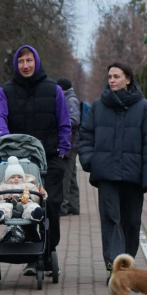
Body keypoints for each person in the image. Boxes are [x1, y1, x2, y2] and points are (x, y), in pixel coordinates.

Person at [77, 62, 147, 275]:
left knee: (131, 222)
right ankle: (116, 269)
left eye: (116, 76)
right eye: (109, 77)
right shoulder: (99, 106)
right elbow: (85, 134)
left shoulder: (143, 108)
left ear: (128, 79)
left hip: (133, 177)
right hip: (106, 175)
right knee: (110, 220)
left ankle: (127, 262)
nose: (112, 80)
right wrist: (90, 160)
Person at [0, 45, 71, 274]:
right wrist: (4, 139)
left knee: (52, 206)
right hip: (18, 162)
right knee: (21, 203)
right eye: (21, 61)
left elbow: (64, 122)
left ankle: (48, 252)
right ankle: (35, 250)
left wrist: (63, 150)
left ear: (36, 62)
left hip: (50, 158)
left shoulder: (54, 89)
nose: (25, 65)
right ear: (16, 65)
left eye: (29, 60)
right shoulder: (5, 91)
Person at [57, 77, 81, 216]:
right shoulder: (70, 98)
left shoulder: (70, 100)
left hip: (70, 143)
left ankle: (63, 207)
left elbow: (74, 120)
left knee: (66, 175)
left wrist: (59, 123)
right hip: (72, 142)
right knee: (71, 176)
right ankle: (73, 206)